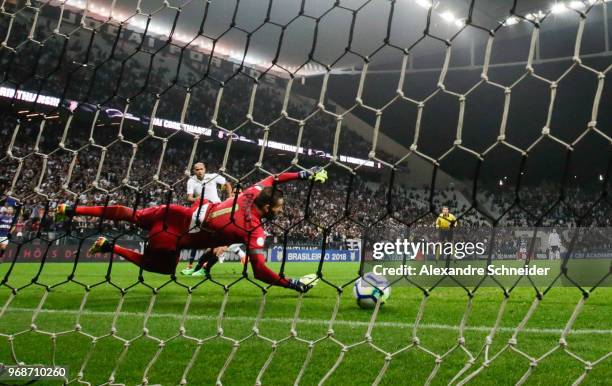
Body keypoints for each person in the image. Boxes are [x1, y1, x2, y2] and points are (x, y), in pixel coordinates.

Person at [56, 167, 328, 292]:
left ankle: (72, 209)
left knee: (131, 214)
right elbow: (259, 270)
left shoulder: (250, 192)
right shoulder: (254, 230)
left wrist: (304, 174)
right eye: (278, 209)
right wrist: (291, 284)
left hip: (174, 215)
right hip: (174, 239)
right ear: (267, 209)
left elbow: (276, 177)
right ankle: (110, 246)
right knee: (160, 268)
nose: (280, 212)